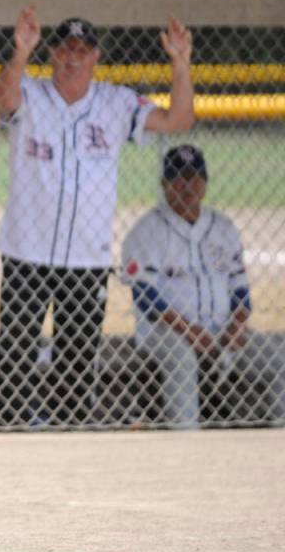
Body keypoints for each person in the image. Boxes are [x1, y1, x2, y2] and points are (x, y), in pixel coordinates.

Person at [0, 8, 195, 427]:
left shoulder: (116, 103)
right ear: (52, 54)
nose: (73, 56)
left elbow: (179, 120)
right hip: (27, 252)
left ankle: (70, 452)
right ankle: (7, 446)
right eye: (65, 47)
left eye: (82, 50)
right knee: (15, 359)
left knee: (77, 370)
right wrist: (20, 51)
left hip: (87, 258)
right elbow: (3, 96)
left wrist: (180, 63)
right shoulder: (30, 94)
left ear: (95, 57)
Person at [121, 145, 285, 429]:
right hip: (166, 332)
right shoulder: (147, 230)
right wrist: (189, 331)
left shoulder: (222, 227)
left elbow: (240, 288)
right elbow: (144, 297)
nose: (188, 186)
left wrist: (237, 326)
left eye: (195, 177)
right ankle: (188, 437)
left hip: (222, 329)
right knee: (182, 360)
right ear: (164, 185)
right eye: (178, 178)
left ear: (206, 183)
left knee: (276, 357)